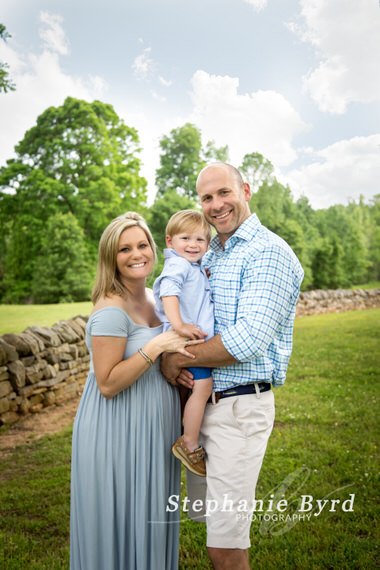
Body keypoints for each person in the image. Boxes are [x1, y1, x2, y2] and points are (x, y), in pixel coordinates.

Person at [161, 163, 304, 570]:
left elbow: (248, 339)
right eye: (206, 197)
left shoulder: (269, 251)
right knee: (212, 529)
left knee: (225, 546)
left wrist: (173, 358)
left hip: (238, 411)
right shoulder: (212, 252)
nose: (216, 205)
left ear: (245, 189)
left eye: (224, 193)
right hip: (205, 405)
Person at [70, 212, 203, 570]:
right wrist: (157, 347)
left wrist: (175, 372)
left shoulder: (155, 298)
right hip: (116, 430)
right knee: (121, 517)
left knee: (152, 513)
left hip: (154, 427)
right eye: (124, 249)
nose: (136, 254)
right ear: (110, 258)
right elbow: (108, 383)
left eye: (142, 245)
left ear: (155, 248)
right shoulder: (110, 311)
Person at [153, 210, 214, 477]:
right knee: (202, 386)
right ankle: (188, 444)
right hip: (185, 340)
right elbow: (169, 292)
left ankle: (180, 430)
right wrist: (178, 326)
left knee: (188, 389)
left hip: (190, 338)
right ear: (170, 241)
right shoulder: (177, 265)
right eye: (185, 238)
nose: (193, 244)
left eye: (200, 239)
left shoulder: (194, 266)